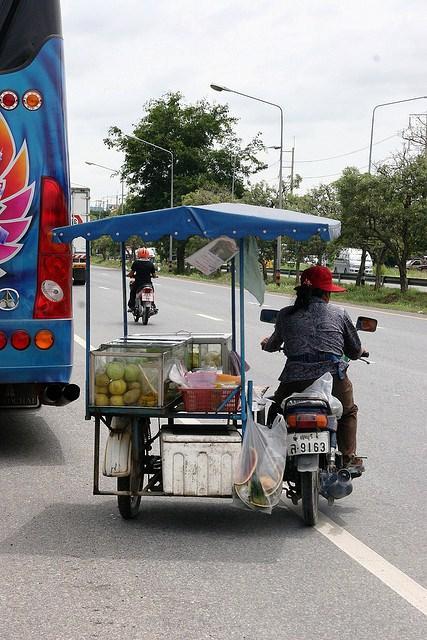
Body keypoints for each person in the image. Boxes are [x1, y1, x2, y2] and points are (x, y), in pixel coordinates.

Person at [261, 265, 367, 471]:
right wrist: (362, 351)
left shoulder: (285, 314)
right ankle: (347, 458)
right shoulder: (339, 313)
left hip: (294, 380)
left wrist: (267, 344)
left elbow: (273, 344)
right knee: (347, 412)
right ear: (327, 294)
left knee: (276, 409)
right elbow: (354, 351)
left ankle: (271, 455)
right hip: (333, 379)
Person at [127, 247, 157, 311]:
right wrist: (154, 276)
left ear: (139, 254)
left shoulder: (136, 263)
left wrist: (128, 275)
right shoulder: (150, 264)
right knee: (151, 292)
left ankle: (132, 306)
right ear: (147, 255)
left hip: (138, 283)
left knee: (133, 292)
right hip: (148, 283)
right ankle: (153, 305)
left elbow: (131, 273)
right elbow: (154, 275)